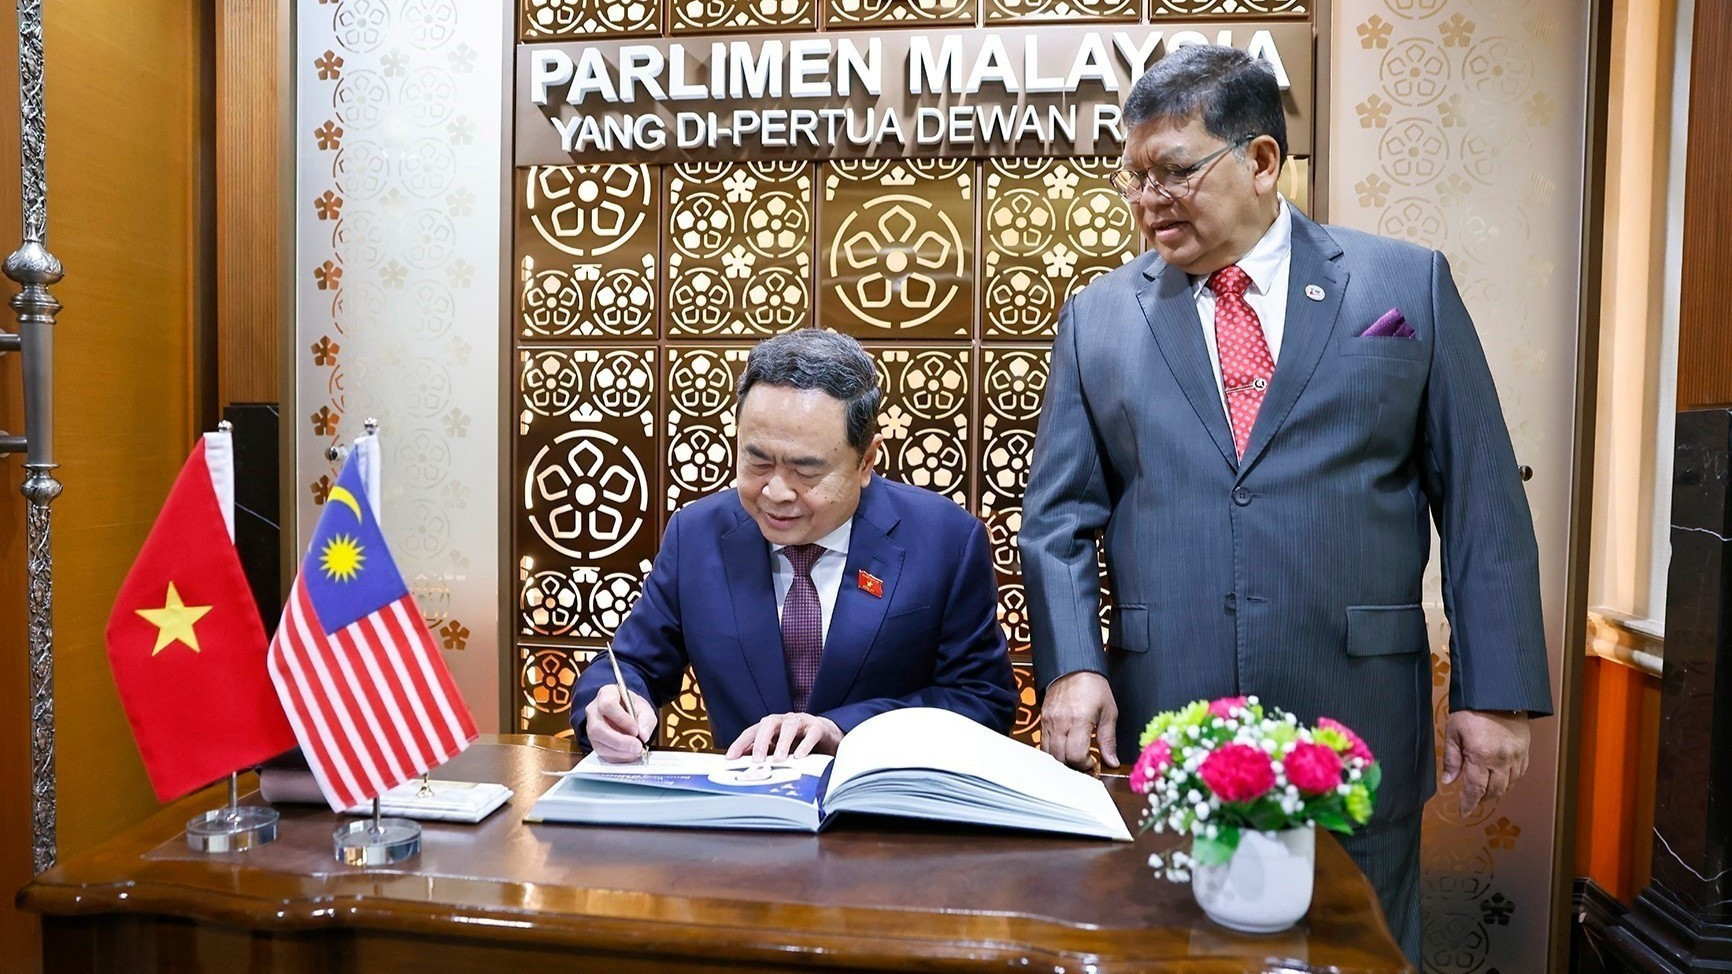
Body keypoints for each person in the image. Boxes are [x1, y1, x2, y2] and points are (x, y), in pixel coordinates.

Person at [1018, 44, 1551, 961]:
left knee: (1355, 947)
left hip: (1353, 705)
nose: (1149, 199)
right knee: (1173, 950)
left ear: (1262, 162)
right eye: (1135, 176)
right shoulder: (1098, 317)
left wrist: (1494, 693)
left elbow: (1482, 498)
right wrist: (1073, 667)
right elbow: (1059, 517)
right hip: (1168, 714)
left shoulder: (1402, 284)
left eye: (1175, 170)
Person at [573, 329, 1016, 765]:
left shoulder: (944, 540)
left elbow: (982, 700)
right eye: (757, 461)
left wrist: (842, 729)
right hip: (743, 812)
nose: (776, 492)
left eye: (806, 471)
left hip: (888, 817)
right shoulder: (697, 534)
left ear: (866, 461)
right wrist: (612, 703)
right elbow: (632, 665)